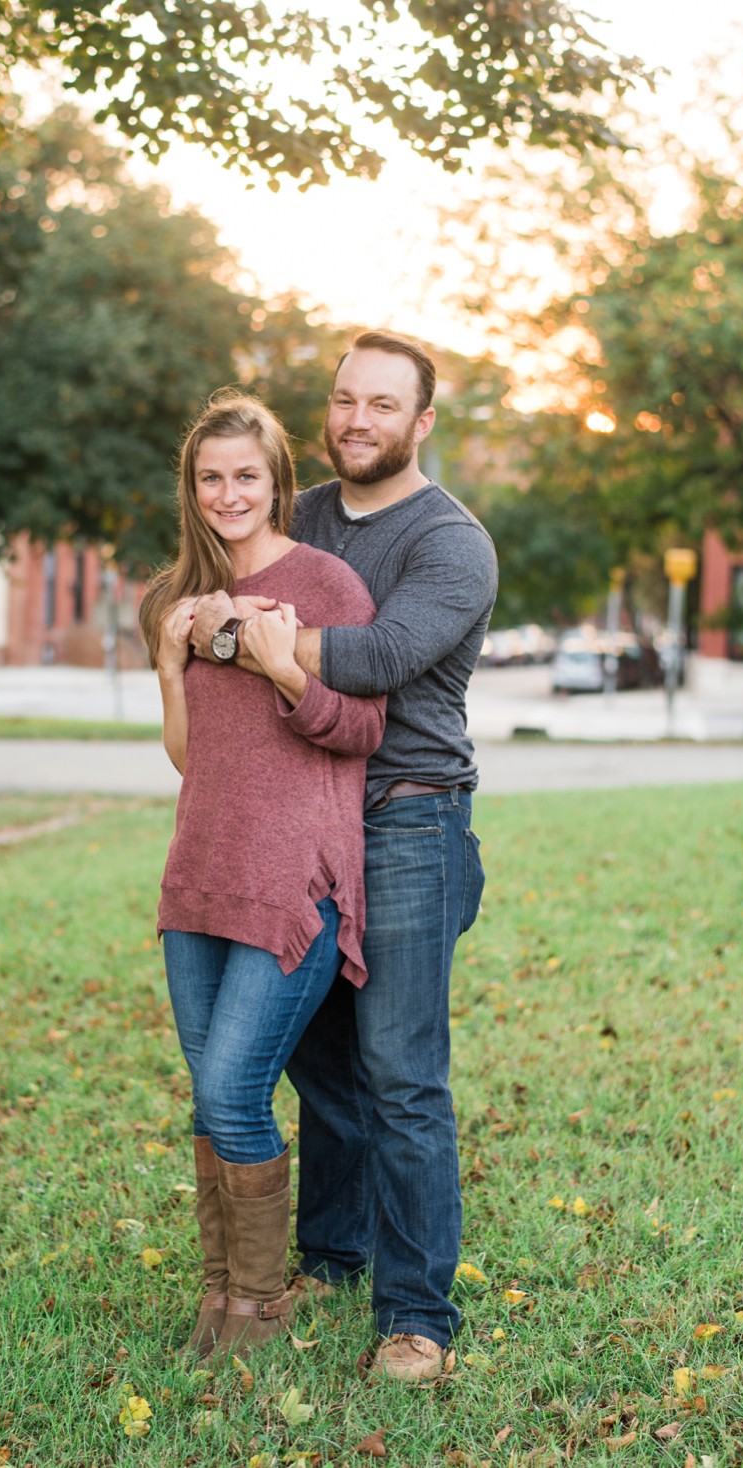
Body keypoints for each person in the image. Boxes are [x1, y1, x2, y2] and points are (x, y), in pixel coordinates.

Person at [189, 331, 498, 1382]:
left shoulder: (449, 543)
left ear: (420, 423)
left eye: (381, 405)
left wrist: (240, 634)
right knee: (318, 1061)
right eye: (342, 400)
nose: (356, 420)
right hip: (301, 824)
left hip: (408, 822)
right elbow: (220, 583)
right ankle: (329, 1251)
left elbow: (377, 657)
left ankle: (415, 1317)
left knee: (400, 1075)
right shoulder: (307, 512)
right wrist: (236, 625)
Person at [139, 391, 385, 1361]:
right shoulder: (175, 597)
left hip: (294, 885)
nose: (227, 492)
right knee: (209, 1097)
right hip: (199, 872)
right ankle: (219, 1300)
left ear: (276, 480)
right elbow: (188, 758)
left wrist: (283, 666)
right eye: (210, 477)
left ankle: (260, 1311)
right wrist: (170, 660)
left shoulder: (325, 584)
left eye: (245, 474)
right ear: (191, 490)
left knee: (235, 1090)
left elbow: (362, 730)